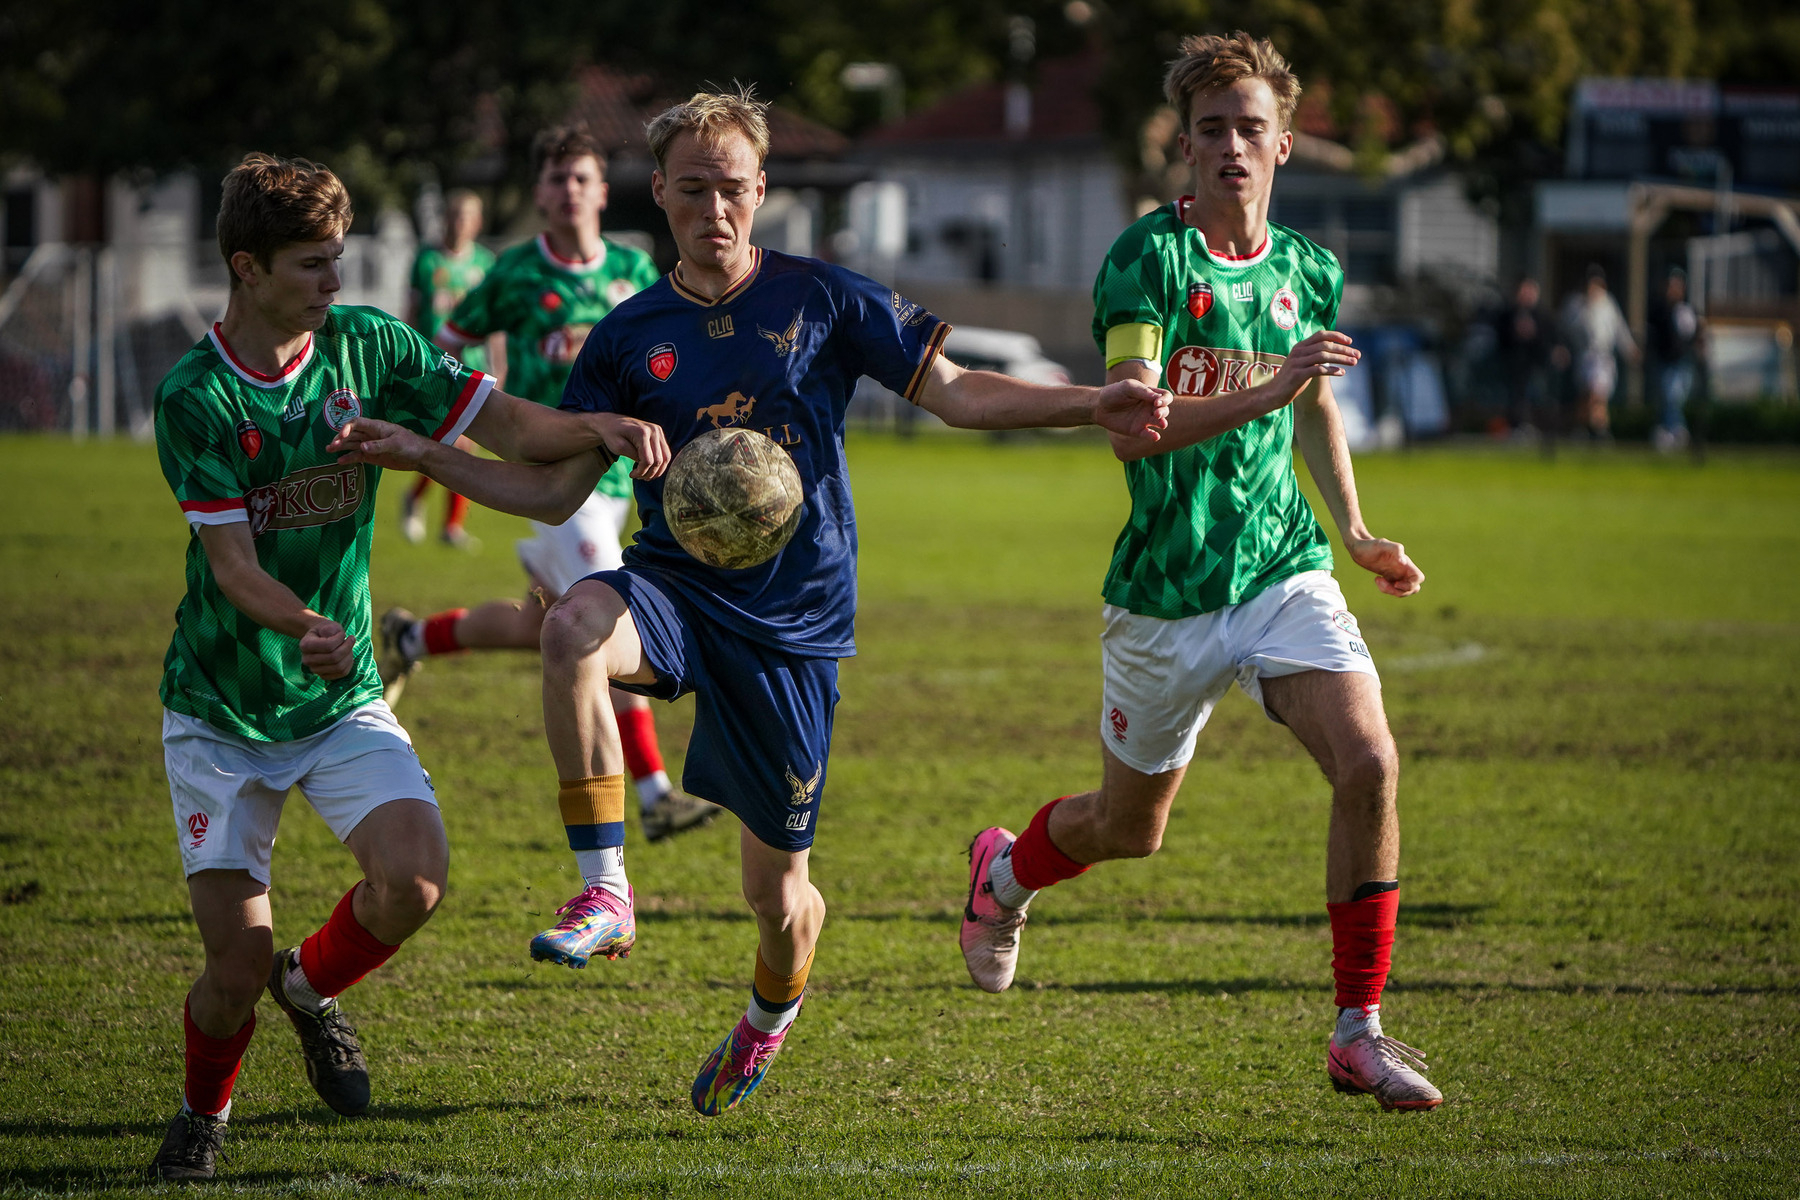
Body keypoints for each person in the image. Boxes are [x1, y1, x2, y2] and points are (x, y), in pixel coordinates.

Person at [326, 87, 1170, 1117]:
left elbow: (954, 390)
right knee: (572, 628)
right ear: (661, 197)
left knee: (778, 902)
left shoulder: (823, 299)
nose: (713, 210)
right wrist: (424, 453)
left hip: (795, 631)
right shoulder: (630, 337)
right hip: (675, 590)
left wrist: (1095, 403)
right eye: (691, 190)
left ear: (761, 191)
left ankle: (769, 1017)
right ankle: (608, 888)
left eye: (731, 189)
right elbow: (550, 486)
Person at [148, 152, 665, 1181]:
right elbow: (232, 566)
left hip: (340, 699)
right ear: (246, 268)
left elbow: (506, 422)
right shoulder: (197, 396)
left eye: (340, 258)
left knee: (416, 882)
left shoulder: (370, 346)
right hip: (223, 710)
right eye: (311, 264)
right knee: (230, 969)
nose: (335, 281)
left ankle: (311, 989)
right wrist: (305, 621)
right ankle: (206, 1112)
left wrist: (595, 430)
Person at [956, 32, 1444, 1113]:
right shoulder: (1148, 262)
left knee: (1368, 761)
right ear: (1186, 147)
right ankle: (1003, 875)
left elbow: (1315, 401)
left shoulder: (1310, 268)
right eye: (1212, 129)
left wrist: (1356, 530)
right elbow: (1133, 429)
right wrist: (1269, 391)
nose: (1232, 146)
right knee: (1128, 831)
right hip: (1165, 597)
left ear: (1284, 144)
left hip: (1282, 570)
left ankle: (1358, 1029)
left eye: (1251, 128)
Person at [377, 125, 718, 844]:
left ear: (603, 190)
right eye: (557, 178)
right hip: (551, 481)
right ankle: (654, 792)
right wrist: (453, 410)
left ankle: (414, 637)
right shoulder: (514, 274)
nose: (569, 190)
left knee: (548, 627)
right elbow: (446, 346)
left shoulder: (632, 267)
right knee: (608, 615)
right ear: (539, 193)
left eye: (582, 178)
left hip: (621, 476)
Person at [400, 189, 495, 547]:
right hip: (432, 367)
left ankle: (450, 525)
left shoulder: (485, 264)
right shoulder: (426, 261)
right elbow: (410, 314)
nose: (458, 223)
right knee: (443, 443)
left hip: (471, 368)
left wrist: (500, 367)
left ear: (477, 222)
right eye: (453, 216)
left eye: (465, 216)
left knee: (463, 446)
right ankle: (420, 502)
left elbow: (494, 325)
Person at [1560, 264, 1637, 439]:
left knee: (1598, 394)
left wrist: (1630, 349)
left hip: (1603, 357)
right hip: (1584, 356)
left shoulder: (1608, 304)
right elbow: (1564, 329)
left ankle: (1598, 428)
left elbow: (1619, 330)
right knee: (1587, 395)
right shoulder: (1575, 305)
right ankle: (1587, 427)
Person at [1493, 277, 1558, 441]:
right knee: (1516, 394)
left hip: (1537, 364)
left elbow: (1552, 338)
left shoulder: (1543, 315)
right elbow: (1500, 338)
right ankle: (1517, 426)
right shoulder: (1508, 314)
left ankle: (1542, 427)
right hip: (1514, 364)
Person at [1646, 266, 1699, 452]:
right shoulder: (1659, 310)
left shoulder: (1686, 311)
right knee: (1669, 398)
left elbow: (1693, 336)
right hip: (1664, 362)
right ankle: (1675, 431)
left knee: (1674, 398)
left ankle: (1674, 430)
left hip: (1682, 363)